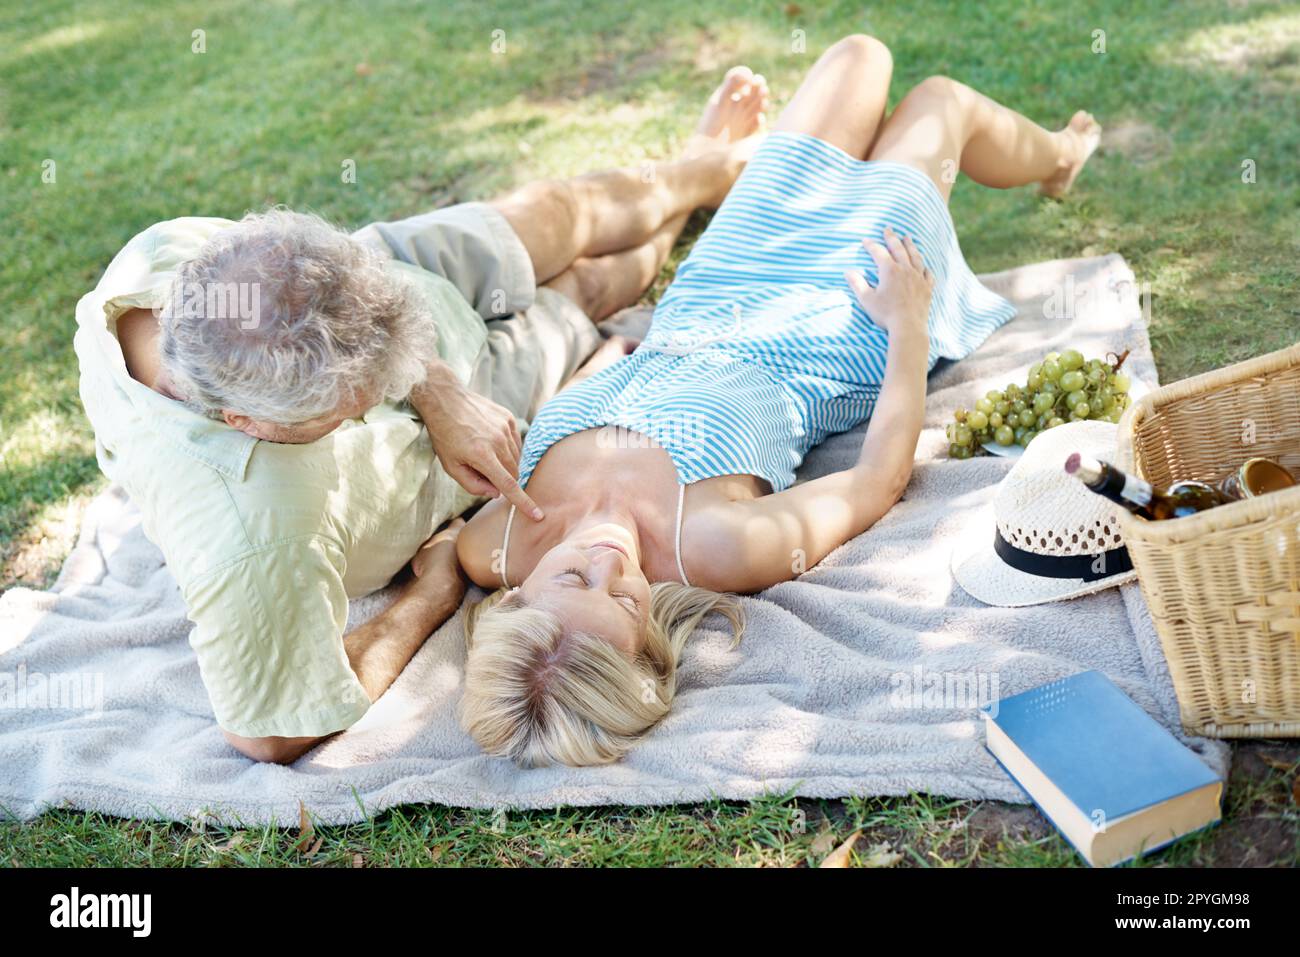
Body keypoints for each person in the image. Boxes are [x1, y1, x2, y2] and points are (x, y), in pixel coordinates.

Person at [75, 69, 770, 762]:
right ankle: (711, 195)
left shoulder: (190, 266)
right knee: (586, 289)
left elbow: (363, 317)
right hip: (442, 447)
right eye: (352, 403)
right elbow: (270, 730)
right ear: (251, 422)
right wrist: (434, 593)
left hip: (393, 291)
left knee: (563, 209)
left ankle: (710, 167)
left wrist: (432, 385)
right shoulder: (251, 533)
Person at [454, 34, 1102, 768]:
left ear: (514, 597)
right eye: (626, 598)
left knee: (861, 57)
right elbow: (874, 481)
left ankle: (713, 159)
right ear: (647, 640)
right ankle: (1059, 158)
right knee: (940, 101)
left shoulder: (496, 541)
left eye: (574, 577)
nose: (607, 561)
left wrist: (606, 363)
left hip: (720, 281)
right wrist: (908, 324)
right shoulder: (714, 547)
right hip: (841, 310)